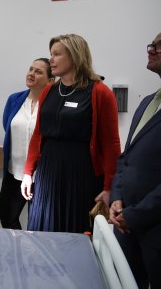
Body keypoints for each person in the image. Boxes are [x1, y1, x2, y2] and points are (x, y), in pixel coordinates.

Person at [20, 34, 121, 233]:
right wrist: (28, 172)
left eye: (57, 54)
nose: (51, 60)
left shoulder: (100, 92)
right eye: (51, 54)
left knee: (74, 232)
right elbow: (39, 134)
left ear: (75, 57)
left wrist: (110, 187)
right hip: (48, 173)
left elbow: (111, 144)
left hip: (80, 175)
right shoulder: (49, 90)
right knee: (44, 231)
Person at [109, 33, 161, 289]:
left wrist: (135, 214)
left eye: (159, 45)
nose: (151, 49)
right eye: (151, 44)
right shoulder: (148, 103)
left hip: (154, 229)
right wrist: (116, 197)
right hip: (126, 224)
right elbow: (126, 158)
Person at [0, 58, 54, 229]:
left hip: (42, 176)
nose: (31, 74)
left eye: (38, 72)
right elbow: (8, 126)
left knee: (37, 223)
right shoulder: (14, 100)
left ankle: (32, 253)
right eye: (31, 69)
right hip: (14, 172)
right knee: (5, 213)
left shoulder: (53, 104)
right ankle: (17, 249)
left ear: (50, 80)